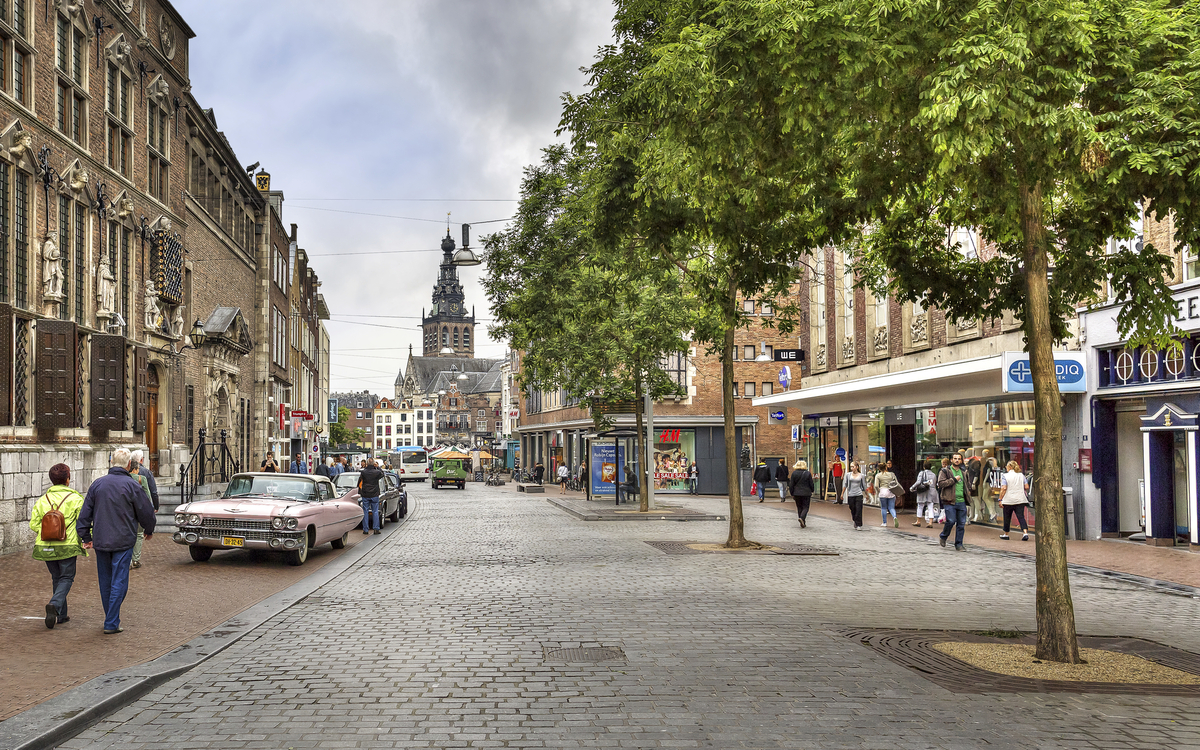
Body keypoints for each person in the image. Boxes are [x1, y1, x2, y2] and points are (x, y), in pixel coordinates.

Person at [77, 448, 157, 634]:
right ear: (129, 465)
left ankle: (111, 618)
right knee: (119, 581)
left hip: (102, 539)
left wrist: (86, 536)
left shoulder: (97, 484)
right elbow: (146, 511)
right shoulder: (132, 486)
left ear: (111, 462)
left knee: (105, 581)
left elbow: (84, 514)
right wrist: (149, 529)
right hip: (123, 539)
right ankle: (111, 622)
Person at [29, 463, 85, 629]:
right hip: (67, 545)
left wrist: (47, 532)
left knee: (56, 577)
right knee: (67, 577)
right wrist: (85, 538)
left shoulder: (42, 500)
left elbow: (34, 524)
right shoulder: (76, 499)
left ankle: (61, 615)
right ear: (68, 479)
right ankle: (54, 604)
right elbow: (83, 523)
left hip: (45, 546)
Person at [937, 454, 973, 551]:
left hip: (961, 501)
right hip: (949, 500)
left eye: (959, 459)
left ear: (961, 461)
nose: (957, 460)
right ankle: (943, 536)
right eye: (955, 459)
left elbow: (967, 484)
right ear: (951, 460)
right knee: (951, 521)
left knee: (961, 523)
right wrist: (953, 480)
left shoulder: (964, 471)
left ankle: (959, 544)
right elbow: (940, 483)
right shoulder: (945, 471)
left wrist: (969, 490)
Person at [129, 453, 154, 570]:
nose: (139, 471)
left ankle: (127, 559)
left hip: (126, 513)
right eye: (138, 469)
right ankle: (135, 560)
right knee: (139, 535)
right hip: (138, 512)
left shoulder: (124, 478)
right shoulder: (141, 479)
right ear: (134, 469)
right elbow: (147, 497)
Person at [997, 460, 1031, 541]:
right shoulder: (1021, 475)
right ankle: (1025, 533)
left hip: (1008, 500)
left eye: (1007, 467)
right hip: (1020, 499)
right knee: (1021, 517)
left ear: (1010, 467)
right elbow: (1026, 487)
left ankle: (1006, 534)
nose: (1006, 468)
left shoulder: (1005, 476)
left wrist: (1000, 499)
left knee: (1007, 517)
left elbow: (1003, 488)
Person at [357, 459, 385, 535]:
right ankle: (376, 528)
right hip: (374, 494)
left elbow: (360, 481)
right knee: (375, 511)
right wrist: (378, 467)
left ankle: (365, 529)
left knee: (365, 512)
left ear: (366, 464)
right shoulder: (376, 472)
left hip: (365, 494)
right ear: (373, 464)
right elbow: (382, 474)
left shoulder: (363, 472)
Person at [911, 459, 939, 528]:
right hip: (931, 491)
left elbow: (918, 482)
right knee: (930, 506)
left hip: (923, 491)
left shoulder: (921, 473)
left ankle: (918, 521)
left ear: (924, 467)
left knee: (920, 506)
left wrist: (912, 487)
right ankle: (930, 522)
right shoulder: (933, 474)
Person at [874, 459, 902, 528]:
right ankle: (894, 517)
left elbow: (876, 485)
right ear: (886, 467)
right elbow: (896, 483)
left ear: (879, 469)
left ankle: (884, 522)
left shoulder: (878, 475)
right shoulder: (892, 474)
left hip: (883, 491)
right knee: (891, 508)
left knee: (883, 508)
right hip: (891, 491)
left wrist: (878, 491)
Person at [788, 460, 815, 527]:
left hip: (797, 493)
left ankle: (802, 521)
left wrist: (792, 493)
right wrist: (812, 490)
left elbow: (791, 484)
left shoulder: (794, 473)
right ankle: (802, 518)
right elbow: (811, 483)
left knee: (799, 507)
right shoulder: (807, 473)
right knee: (805, 507)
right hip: (806, 492)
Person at [841, 462, 867, 530]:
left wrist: (866, 494)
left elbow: (864, 486)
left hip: (859, 494)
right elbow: (845, 484)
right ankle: (855, 519)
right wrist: (842, 493)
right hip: (851, 494)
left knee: (858, 509)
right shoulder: (848, 475)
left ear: (857, 467)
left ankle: (859, 525)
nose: (852, 468)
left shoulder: (861, 475)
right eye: (851, 467)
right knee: (852, 508)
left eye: (853, 466)